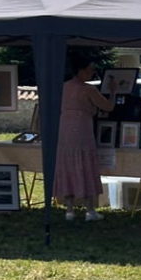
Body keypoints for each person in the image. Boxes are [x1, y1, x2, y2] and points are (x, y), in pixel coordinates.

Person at [54, 56, 115, 221]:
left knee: (68, 167)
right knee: (84, 166)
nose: (92, 73)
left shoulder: (63, 87)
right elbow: (108, 106)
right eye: (90, 70)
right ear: (81, 70)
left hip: (65, 130)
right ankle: (89, 210)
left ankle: (69, 209)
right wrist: (113, 91)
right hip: (82, 130)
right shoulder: (88, 89)